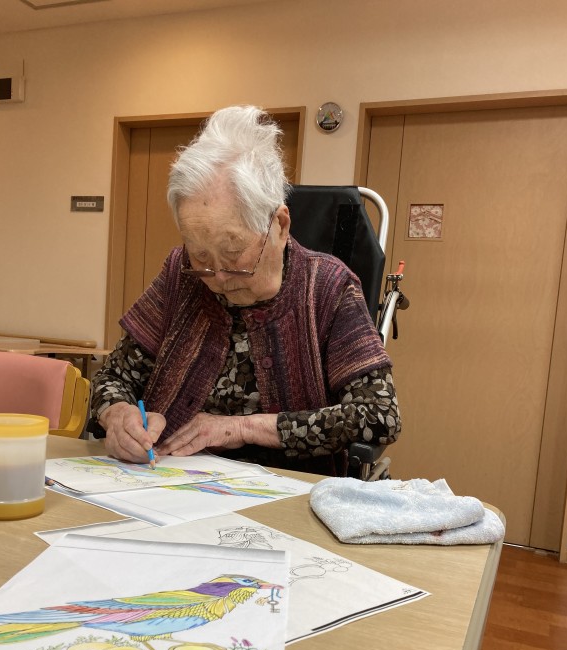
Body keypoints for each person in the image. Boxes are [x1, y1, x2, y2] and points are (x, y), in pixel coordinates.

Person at [89, 105, 401, 475]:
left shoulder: (330, 288)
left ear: (280, 225)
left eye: (234, 253)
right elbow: (113, 378)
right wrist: (118, 416)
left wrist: (241, 428)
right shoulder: (181, 273)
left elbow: (379, 414)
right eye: (201, 256)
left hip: (287, 492)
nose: (218, 278)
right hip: (165, 480)